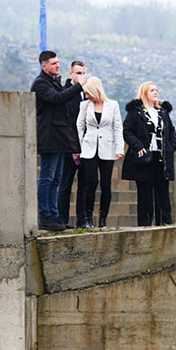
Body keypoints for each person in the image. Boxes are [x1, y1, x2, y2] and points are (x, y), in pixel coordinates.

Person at [31, 50, 86, 231]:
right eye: (53, 63)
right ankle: (45, 215)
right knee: (47, 177)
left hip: (60, 137)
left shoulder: (54, 83)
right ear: (44, 65)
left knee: (56, 179)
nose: (57, 66)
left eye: (58, 62)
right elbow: (57, 99)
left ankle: (54, 215)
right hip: (49, 137)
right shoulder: (40, 84)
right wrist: (78, 86)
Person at [122, 82, 176, 226]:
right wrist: (138, 146)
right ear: (144, 93)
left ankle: (165, 223)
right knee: (145, 194)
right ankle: (145, 225)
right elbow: (127, 131)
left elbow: (171, 132)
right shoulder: (136, 112)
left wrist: (171, 147)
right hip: (144, 158)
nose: (155, 92)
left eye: (156, 90)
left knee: (163, 192)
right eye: (152, 90)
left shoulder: (163, 112)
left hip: (161, 158)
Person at [76, 77, 123, 229]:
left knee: (105, 184)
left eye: (88, 93)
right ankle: (88, 217)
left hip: (107, 148)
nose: (86, 96)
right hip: (88, 149)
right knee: (91, 183)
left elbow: (118, 127)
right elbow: (79, 126)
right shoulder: (84, 105)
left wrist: (119, 148)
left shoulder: (112, 105)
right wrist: (77, 148)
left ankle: (103, 218)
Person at [57, 60, 88, 228]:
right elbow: (68, 123)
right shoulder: (65, 92)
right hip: (68, 146)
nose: (81, 76)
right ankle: (62, 220)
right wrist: (74, 147)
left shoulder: (87, 93)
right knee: (65, 185)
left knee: (84, 186)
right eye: (78, 73)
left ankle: (82, 221)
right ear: (71, 74)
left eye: (83, 73)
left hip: (86, 147)